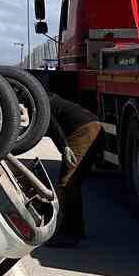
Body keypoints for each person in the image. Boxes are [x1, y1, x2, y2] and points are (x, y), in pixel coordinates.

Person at [44, 93, 107, 247]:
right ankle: (76, 230)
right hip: (89, 128)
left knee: (67, 183)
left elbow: (52, 124)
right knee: (71, 183)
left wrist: (63, 146)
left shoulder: (39, 101)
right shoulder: (47, 97)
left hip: (84, 131)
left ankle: (69, 234)